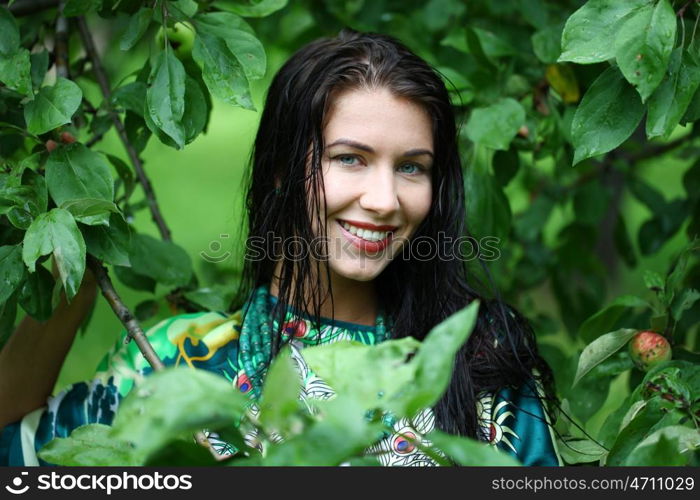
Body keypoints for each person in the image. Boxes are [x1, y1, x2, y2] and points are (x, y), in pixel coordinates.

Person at [0, 29, 562, 466]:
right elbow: (15, 455)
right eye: (350, 159)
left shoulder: (481, 358)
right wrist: (67, 259)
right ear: (278, 173)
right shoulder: (182, 361)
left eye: (412, 167)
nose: (386, 199)